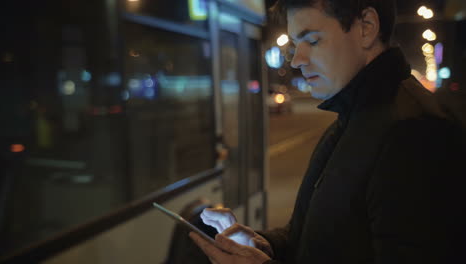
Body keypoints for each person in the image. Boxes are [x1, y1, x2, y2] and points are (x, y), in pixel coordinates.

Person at [189, 0, 466, 263]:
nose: (296, 59)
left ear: (366, 27)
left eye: (312, 40)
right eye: (296, 44)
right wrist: (264, 245)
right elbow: (316, 238)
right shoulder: (351, 119)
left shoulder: (415, 133)